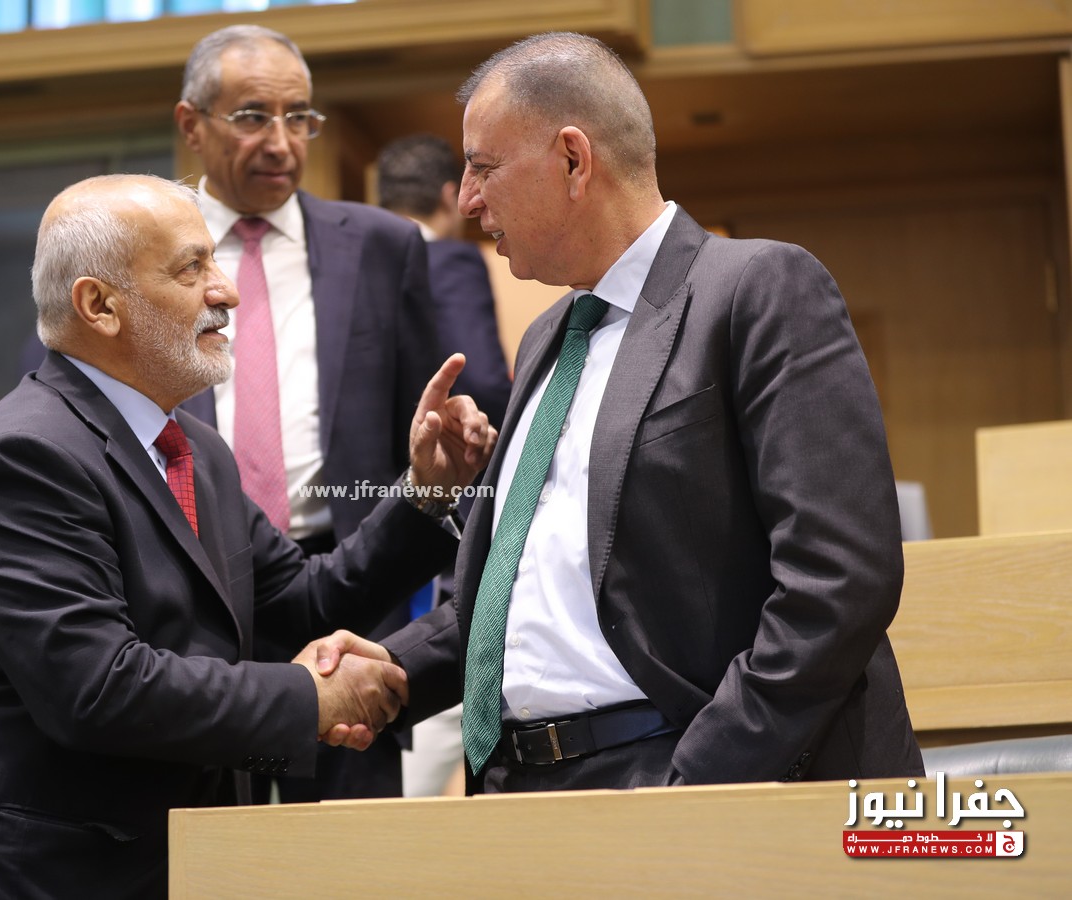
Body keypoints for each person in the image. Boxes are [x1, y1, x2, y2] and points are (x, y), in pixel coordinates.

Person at [322, 32, 925, 793]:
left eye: (483, 166)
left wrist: (700, 780)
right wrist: (396, 666)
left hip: (694, 778)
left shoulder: (758, 288)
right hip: (522, 789)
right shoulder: (548, 336)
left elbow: (839, 581)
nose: (467, 199)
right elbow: (539, 583)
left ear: (574, 160)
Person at [0, 174, 493, 899]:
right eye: (191, 268)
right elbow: (99, 689)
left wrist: (426, 493)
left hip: (179, 864)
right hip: (40, 877)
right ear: (99, 305)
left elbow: (305, 602)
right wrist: (311, 697)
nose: (227, 291)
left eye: (216, 261)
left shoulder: (194, 449)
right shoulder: (25, 456)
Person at [173, 24, 442, 802]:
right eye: (253, 116)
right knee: (209, 840)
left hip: (347, 599)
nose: (282, 141)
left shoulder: (384, 246)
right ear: (192, 124)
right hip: (196, 598)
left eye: (300, 117)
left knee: (348, 848)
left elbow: (425, 434)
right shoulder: (147, 248)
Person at [375, 133, 513, 796]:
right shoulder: (450, 260)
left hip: (362, 508)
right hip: (441, 500)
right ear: (447, 195)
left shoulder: (350, 266)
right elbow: (477, 379)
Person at [376, 133, 512, 431]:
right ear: (450, 196)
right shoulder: (451, 261)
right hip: (437, 448)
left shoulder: (358, 265)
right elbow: (483, 381)